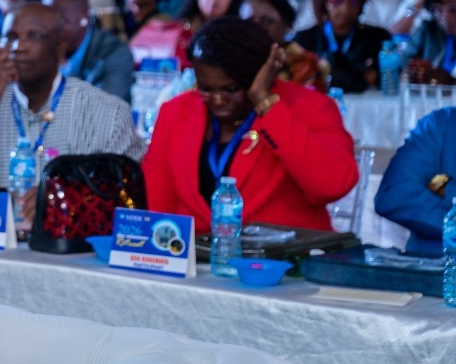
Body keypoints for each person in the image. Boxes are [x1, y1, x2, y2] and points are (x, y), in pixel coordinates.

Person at [142, 18, 356, 231]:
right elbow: (155, 206)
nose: (218, 99)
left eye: (231, 89)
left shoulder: (310, 107)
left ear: (261, 74)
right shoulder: (175, 112)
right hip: (195, 249)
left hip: (289, 250)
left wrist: (266, 103)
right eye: (206, 88)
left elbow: (334, 184)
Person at [0, 3, 142, 190]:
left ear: (59, 47)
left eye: (34, 36)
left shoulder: (108, 114)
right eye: (10, 37)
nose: (18, 47)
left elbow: (125, 196)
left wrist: (56, 199)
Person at [374, 106, 456, 256]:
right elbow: (395, 195)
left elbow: (436, 184)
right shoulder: (442, 124)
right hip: (432, 263)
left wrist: (443, 189)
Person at [292, 0, 390, 94]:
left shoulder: (377, 37)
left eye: (353, 2)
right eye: (337, 2)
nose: (345, 8)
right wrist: (360, 78)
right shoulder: (304, 39)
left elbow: (385, 78)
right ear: (324, 3)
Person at [47, 0, 135, 102]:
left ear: (84, 20)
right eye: (46, 22)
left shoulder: (115, 54)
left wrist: (62, 70)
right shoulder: (43, 47)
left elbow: (107, 107)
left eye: (62, 22)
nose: (51, 29)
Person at [244, 0, 327, 91]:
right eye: (249, 21)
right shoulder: (237, 58)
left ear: (287, 25)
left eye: (266, 21)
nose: (256, 28)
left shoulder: (303, 63)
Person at [404, 0, 456, 85]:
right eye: (438, 10)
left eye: (453, 9)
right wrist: (412, 71)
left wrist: (452, 82)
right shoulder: (427, 30)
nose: (445, 17)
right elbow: (402, 64)